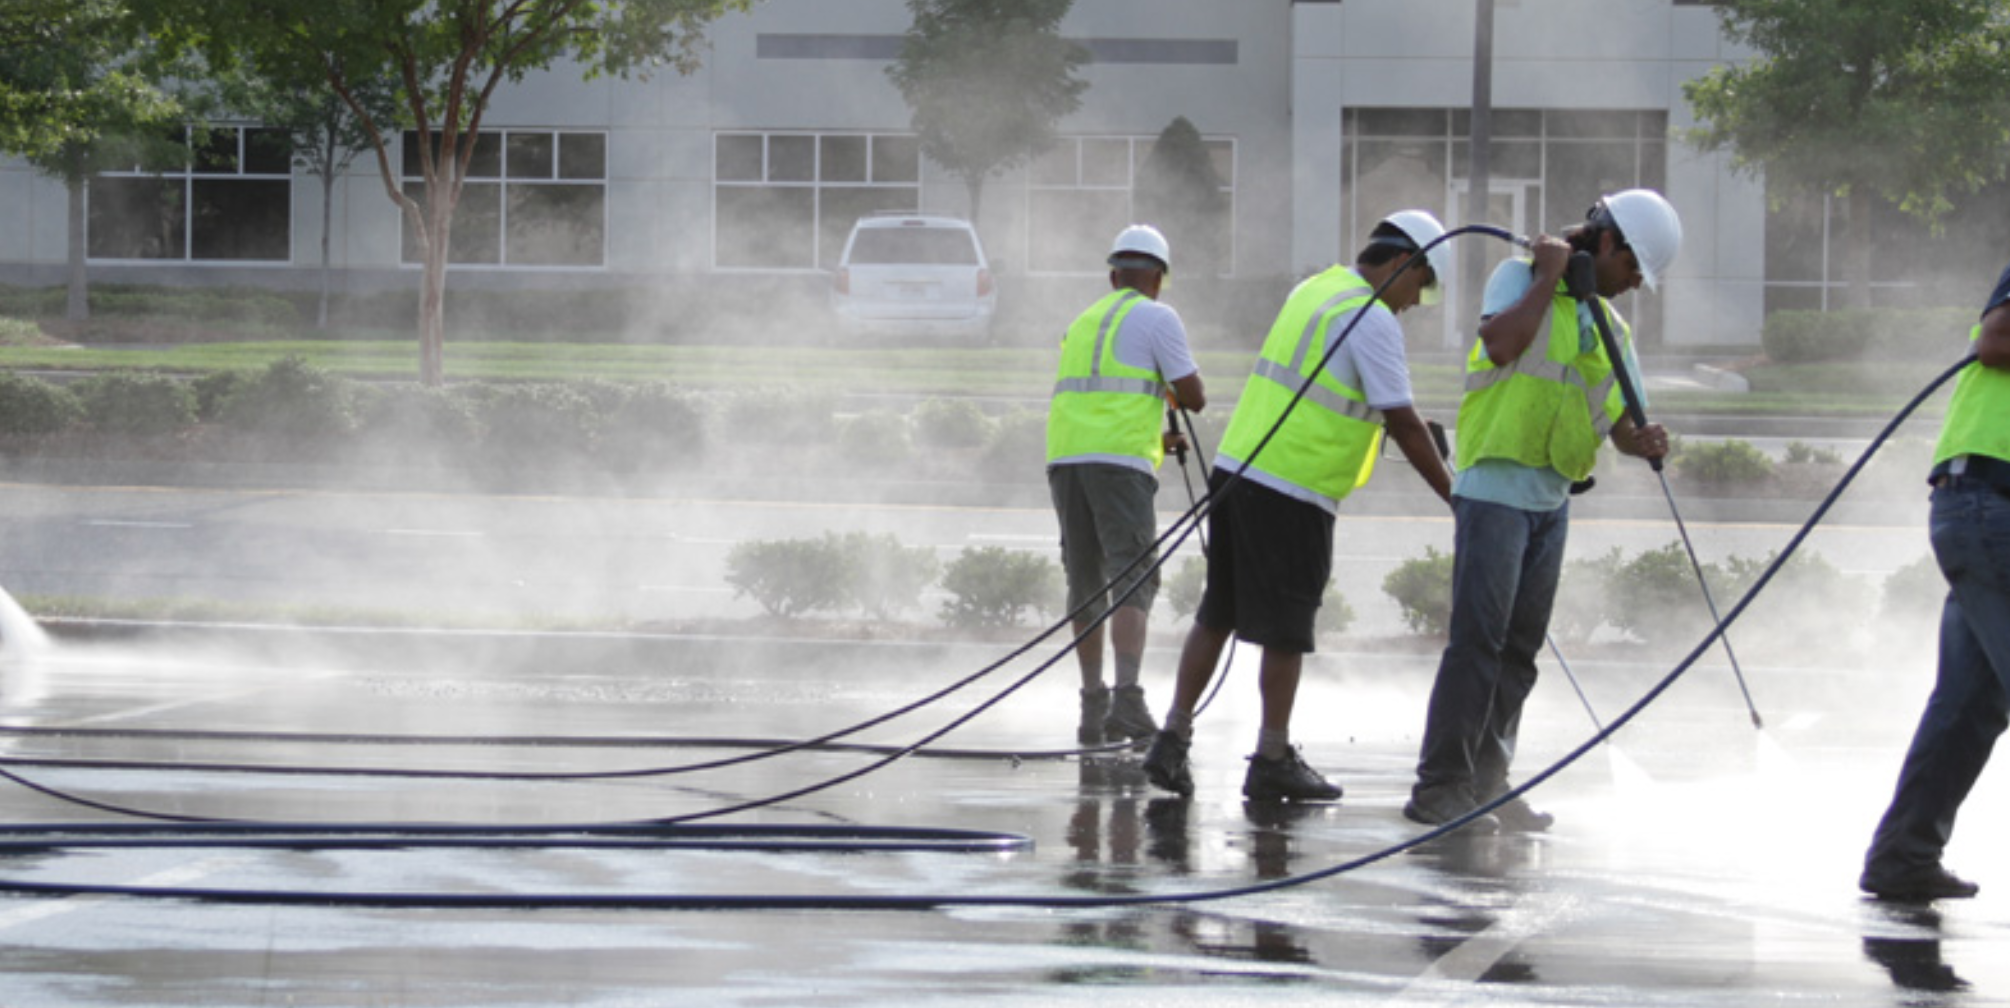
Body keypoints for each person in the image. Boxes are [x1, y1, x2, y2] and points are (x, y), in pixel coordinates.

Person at [1141, 210, 1456, 802]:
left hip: (1239, 470)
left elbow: (1325, 386)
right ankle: (1272, 756)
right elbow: (1405, 424)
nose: (1416, 301)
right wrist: (1456, 497)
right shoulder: (1373, 318)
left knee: (1219, 612)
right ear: (1401, 264)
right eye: (1421, 284)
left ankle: (1172, 738)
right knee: (1287, 630)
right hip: (1294, 488)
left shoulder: (1317, 288)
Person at [1404, 189, 1679, 834]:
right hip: (1494, 491)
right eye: (1634, 267)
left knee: (1519, 651)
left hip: (1551, 500)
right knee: (1478, 644)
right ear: (1606, 243)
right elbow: (1501, 344)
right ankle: (1439, 786)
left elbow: (1615, 420)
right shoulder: (1520, 277)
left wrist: (1640, 439)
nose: (1636, 284)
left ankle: (1488, 785)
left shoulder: (1611, 327)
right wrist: (1551, 274)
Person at [1858, 267, 2010, 902]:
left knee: (1970, 706)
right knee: (1968, 706)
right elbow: (1996, 341)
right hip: (1993, 505)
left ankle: (1904, 856)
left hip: (1978, 510)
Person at [1047, 224, 1207, 747]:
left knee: (1085, 579)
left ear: (1114, 275)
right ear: (1158, 279)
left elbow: (1100, 400)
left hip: (1068, 459)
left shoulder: (1081, 320)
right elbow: (1194, 395)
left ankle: (1092, 704)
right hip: (1120, 467)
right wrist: (1168, 394)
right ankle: (1129, 698)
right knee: (1133, 575)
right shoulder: (1158, 317)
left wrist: (1158, 434)